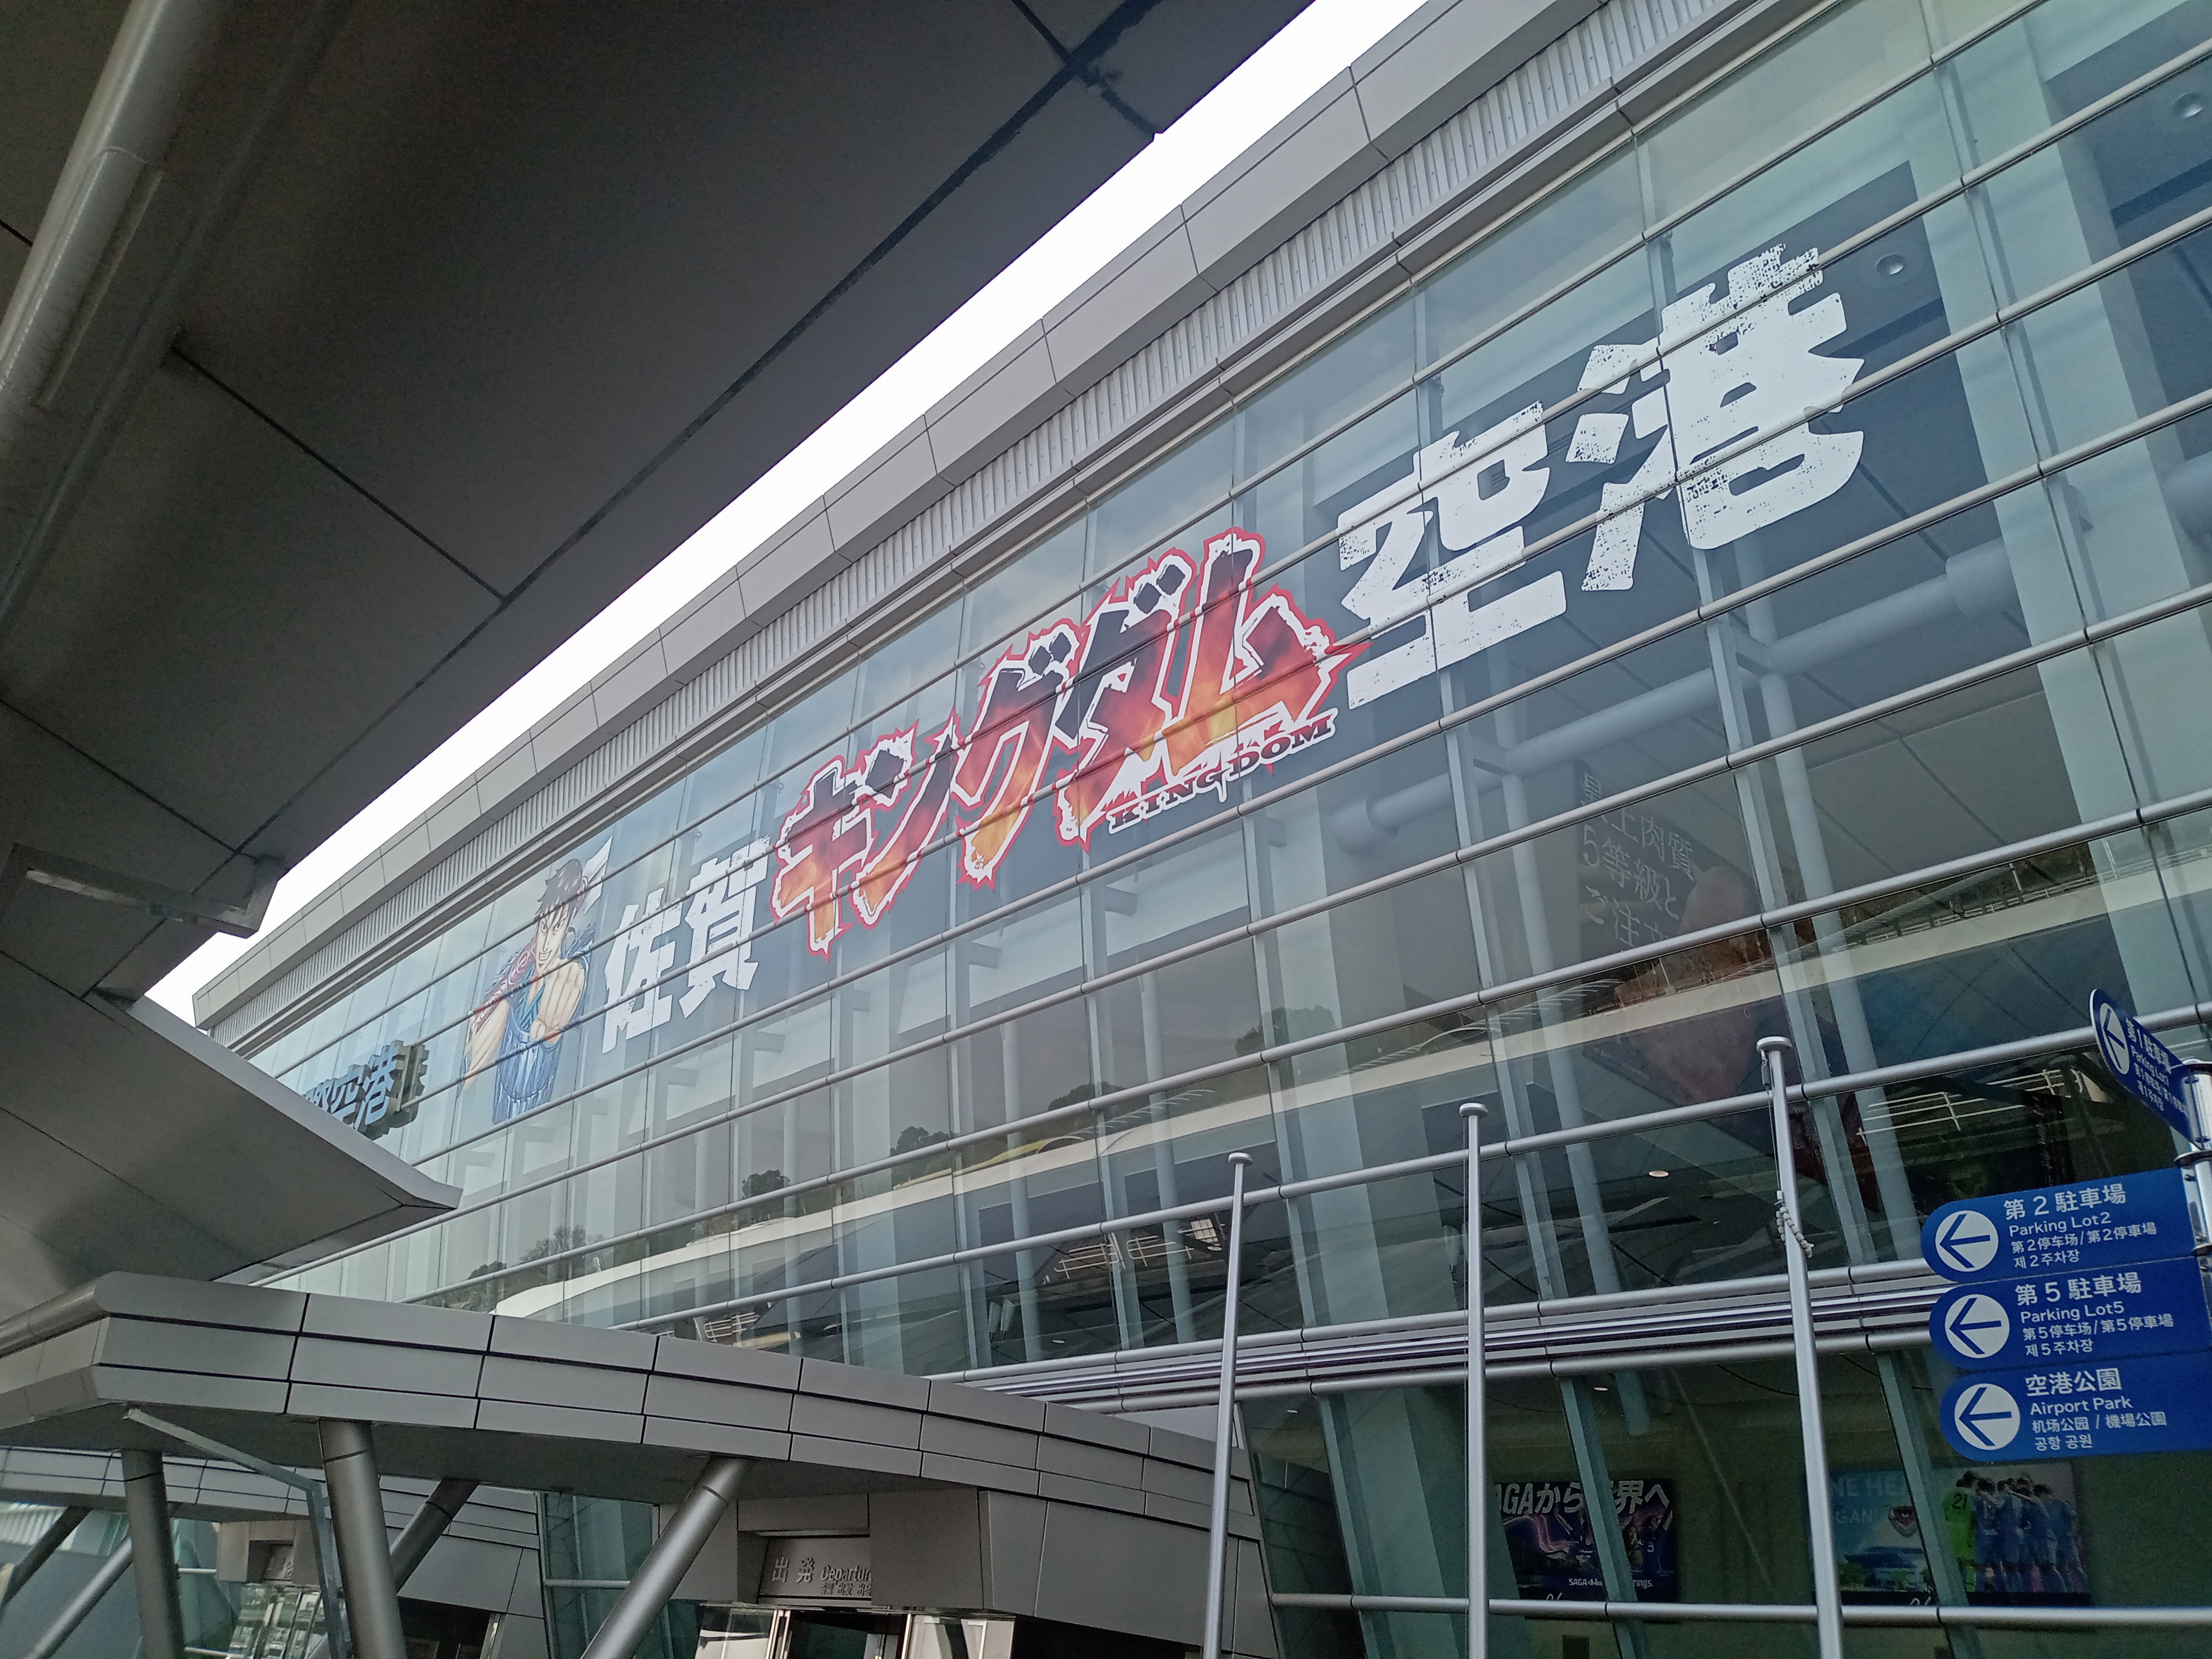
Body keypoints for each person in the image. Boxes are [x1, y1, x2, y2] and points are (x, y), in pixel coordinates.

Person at [467, 856, 597, 1122]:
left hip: (539, 1124)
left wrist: (580, 967)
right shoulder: (517, 977)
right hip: (502, 1116)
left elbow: (585, 958)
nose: (546, 943)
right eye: (544, 928)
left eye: (557, 929)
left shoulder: (567, 971)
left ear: (567, 928)